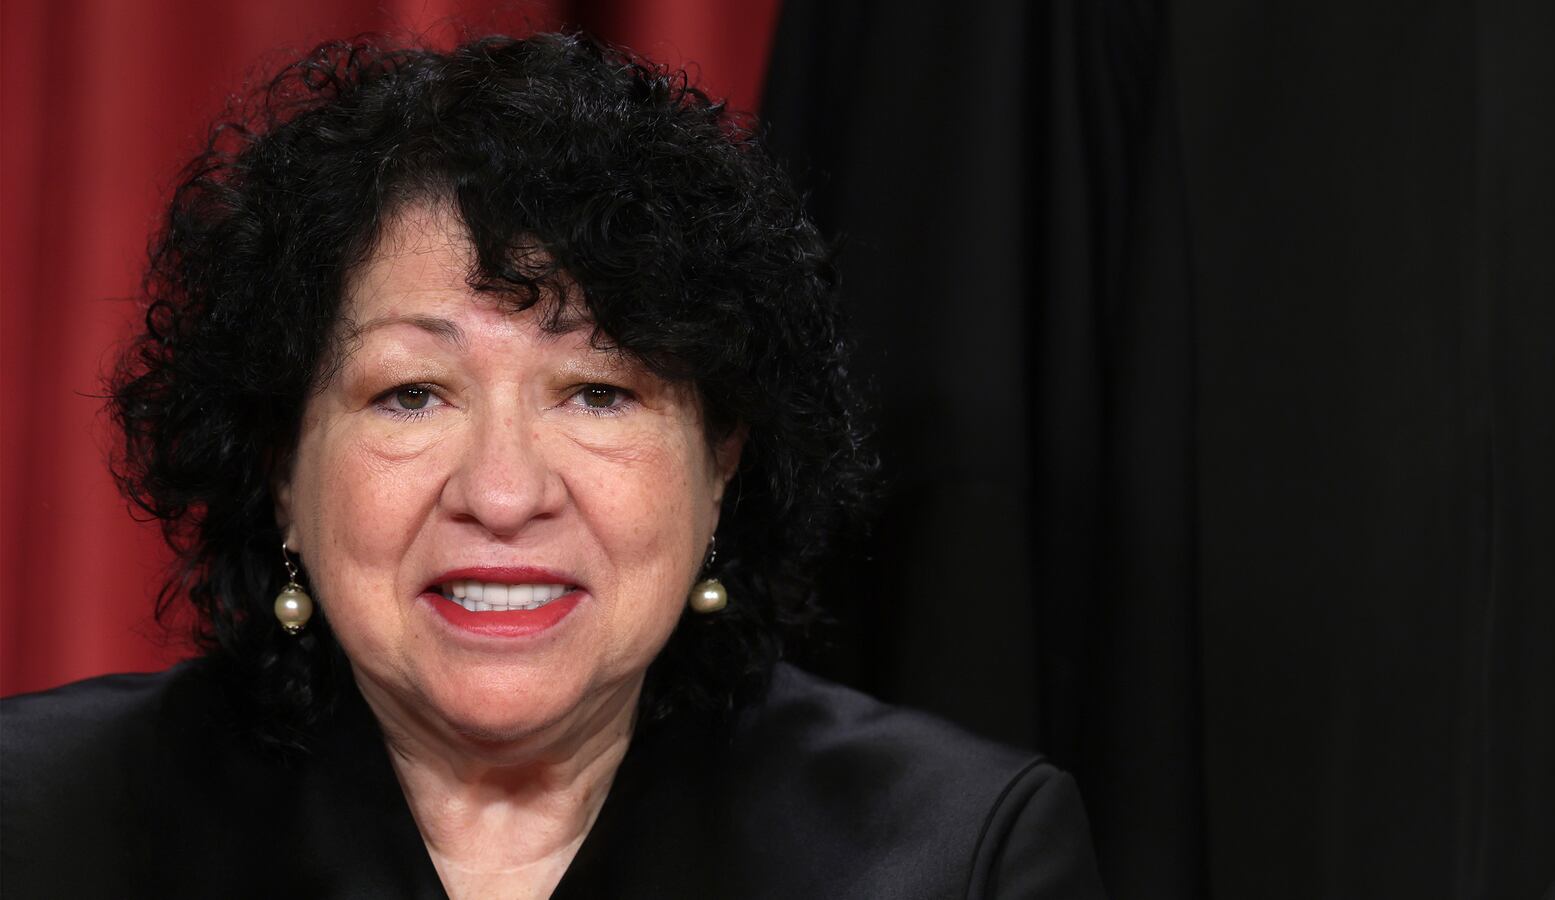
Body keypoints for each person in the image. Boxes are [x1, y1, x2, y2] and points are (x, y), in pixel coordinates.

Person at [0, 33, 1105, 898]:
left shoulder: (954, 855)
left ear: (721, 463)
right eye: (411, 394)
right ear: (283, 466)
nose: (503, 493)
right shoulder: (36, 821)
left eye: (598, 392)